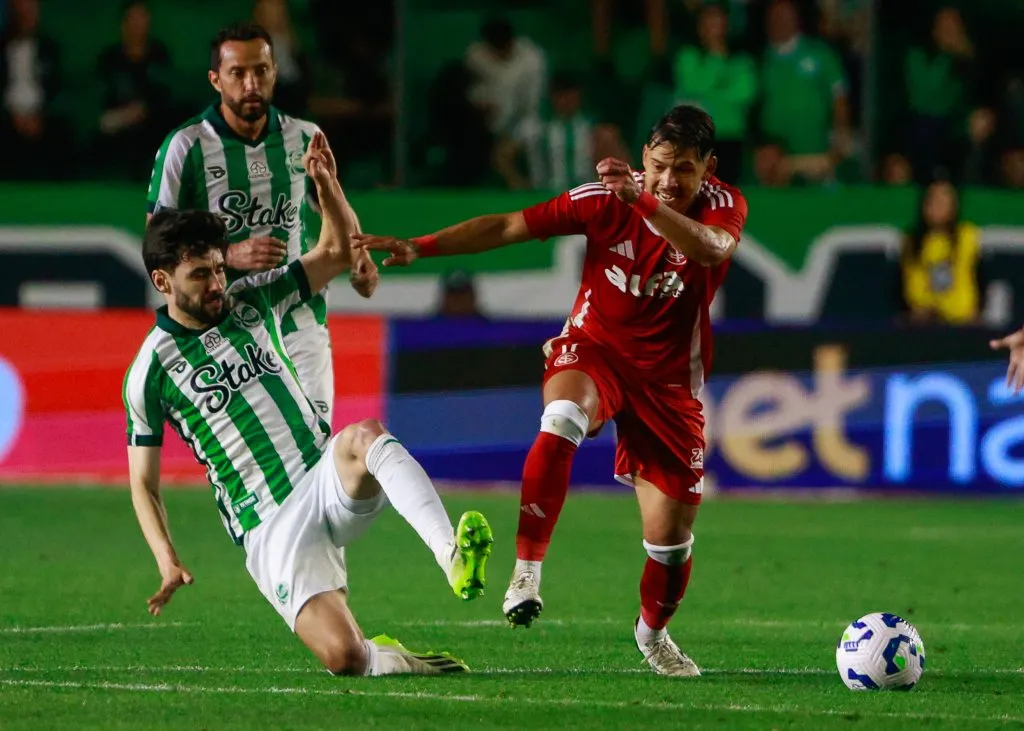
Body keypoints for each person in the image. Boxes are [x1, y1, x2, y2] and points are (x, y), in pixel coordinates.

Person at [353, 105, 748, 677]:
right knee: (563, 415)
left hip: (670, 383)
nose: (669, 180)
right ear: (644, 158)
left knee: (670, 544)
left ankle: (652, 633)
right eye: (660, 166)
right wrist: (424, 247)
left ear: (708, 167)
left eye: (684, 169)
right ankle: (526, 570)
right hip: (597, 349)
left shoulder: (723, 205)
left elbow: (712, 249)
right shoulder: (601, 198)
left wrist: (644, 202)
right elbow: (511, 225)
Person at [124, 132, 494, 676]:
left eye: (218, 269)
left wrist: (327, 186)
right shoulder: (150, 370)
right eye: (200, 275)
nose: (216, 284)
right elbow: (143, 482)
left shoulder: (254, 296)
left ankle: (452, 557)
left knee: (365, 436)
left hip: (323, 473)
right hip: (269, 525)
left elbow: (337, 253)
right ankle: (398, 659)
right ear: (162, 281)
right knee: (345, 658)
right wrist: (167, 560)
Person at [147, 22, 378, 427]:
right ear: (216, 80)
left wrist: (359, 255)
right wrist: (226, 254)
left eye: (261, 71)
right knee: (266, 457)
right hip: (229, 322)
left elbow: (332, 202)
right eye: (238, 73)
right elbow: (156, 239)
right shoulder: (186, 146)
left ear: (274, 72)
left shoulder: (305, 137)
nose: (251, 83)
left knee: (317, 439)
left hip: (298, 311)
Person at [897, 179, 981, 325]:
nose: (937, 206)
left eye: (944, 200)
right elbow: (912, 283)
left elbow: (969, 277)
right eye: (933, 200)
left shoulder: (967, 236)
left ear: (954, 206)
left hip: (962, 320)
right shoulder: (912, 240)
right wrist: (925, 308)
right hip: (922, 322)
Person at [991, 325, 1024, 394]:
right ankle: (1010, 386)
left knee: (1019, 372)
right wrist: (998, 343)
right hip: (1016, 359)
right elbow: (1005, 341)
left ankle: (1016, 389)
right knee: (1011, 370)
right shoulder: (1016, 338)